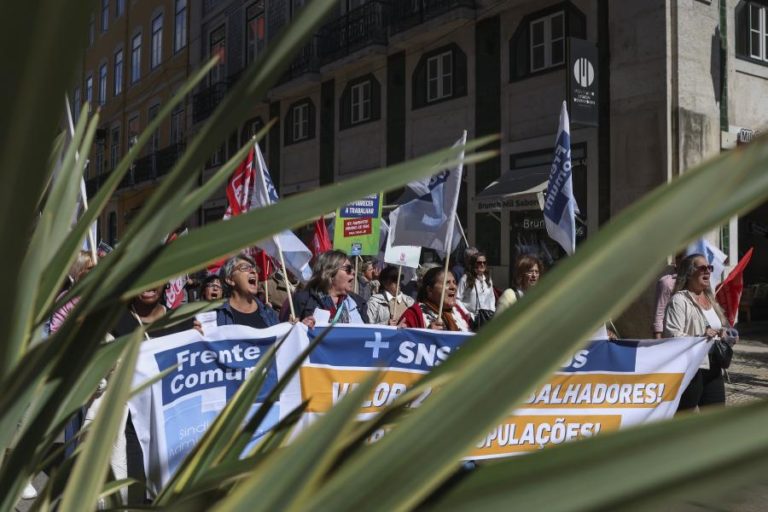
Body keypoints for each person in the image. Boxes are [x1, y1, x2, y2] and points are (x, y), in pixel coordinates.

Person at [664, 253, 736, 412]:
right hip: (691, 368)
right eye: (702, 268)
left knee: (715, 417)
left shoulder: (711, 299)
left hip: (714, 367)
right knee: (685, 417)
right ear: (689, 273)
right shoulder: (679, 300)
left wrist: (726, 335)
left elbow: (718, 329)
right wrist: (700, 337)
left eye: (709, 268)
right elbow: (671, 335)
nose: (708, 271)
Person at [284, 250, 368, 324]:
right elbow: (285, 331)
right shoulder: (303, 299)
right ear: (330, 273)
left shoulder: (359, 302)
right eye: (348, 269)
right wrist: (299, 326)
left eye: (352, 269)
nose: (353, 272)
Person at [214, 254, 283, 329]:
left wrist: (289, 329)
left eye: (254, 268)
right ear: (230, 280)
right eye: (245, 267)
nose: (253, 271)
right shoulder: (216, 315)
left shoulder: (269, 312)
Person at [398, 267, 471, 332]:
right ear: (430, 290)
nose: (453, 287)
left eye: (454, 282)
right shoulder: (413, 315)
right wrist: (427, 334)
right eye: (447, 283)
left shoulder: (459, 311)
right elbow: (402, 340)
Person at [652, 253, 683, 338]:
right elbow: (659, 313)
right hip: (673, 337)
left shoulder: (696, 281)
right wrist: (658, 340)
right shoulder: (667, 283)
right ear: (677, 260)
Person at [456, 251, 495, 318]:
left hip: (486, 317)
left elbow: (491, 297)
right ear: (473, 264)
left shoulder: (488, 279)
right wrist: (466, 313)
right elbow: (457, 298)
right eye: (479, 262)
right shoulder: (465, 279)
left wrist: (492, 310)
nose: (482, 264)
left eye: (484, 262)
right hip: (471, 317)